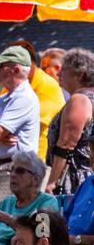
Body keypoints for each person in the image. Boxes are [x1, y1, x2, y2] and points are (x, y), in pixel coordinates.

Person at [0, 45, 41, 211]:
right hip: (4, 170)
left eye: (0, 66)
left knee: (1, 223)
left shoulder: (24, 97)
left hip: (14, 172)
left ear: (16, 69)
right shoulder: (5, 98)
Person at [44, 46, 94, 197]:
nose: (59, 74)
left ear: (79, 74)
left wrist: (52, 181)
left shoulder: (79, 99)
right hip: (86, 177)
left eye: (64, 70)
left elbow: (66, 144)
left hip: (72, 180)